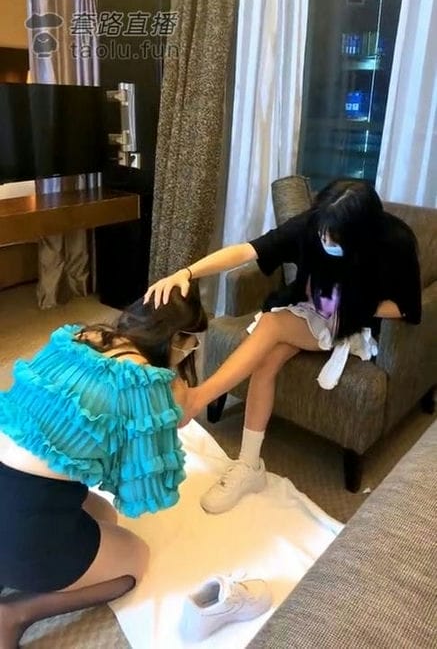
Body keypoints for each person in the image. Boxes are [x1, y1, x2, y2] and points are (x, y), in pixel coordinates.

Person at [145, 179, 422, 514]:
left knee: (272, 325)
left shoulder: (395, 242)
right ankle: (249, 465)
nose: (325, 241)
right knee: (266, 361)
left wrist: (355, 305)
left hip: (349, 323)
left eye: (335, 238)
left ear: (361, 237)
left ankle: (197, 399)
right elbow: (247, 250)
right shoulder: (312, 225)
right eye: (323, 233)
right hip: (307, 309)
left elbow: (408, 308)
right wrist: (187, 273)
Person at [0, 285, 207, 649]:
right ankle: (15, 613)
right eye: (193, 343)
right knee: (136, 560)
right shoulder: (142, 379)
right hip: (27, 524)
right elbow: (143, 490)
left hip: (13, 486)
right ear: (178, 339)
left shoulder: (81, 336)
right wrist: (170, 409)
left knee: (105, 516)